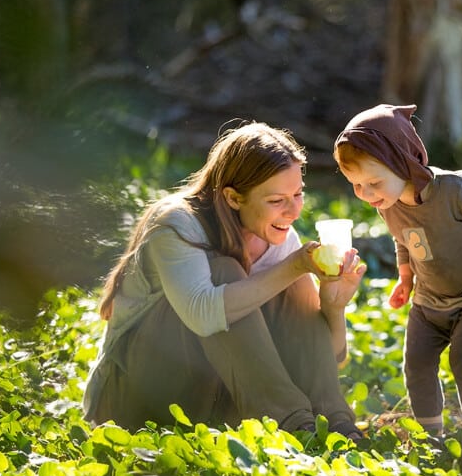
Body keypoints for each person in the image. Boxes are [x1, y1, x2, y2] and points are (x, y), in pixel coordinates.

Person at [82, 121, 366, 440]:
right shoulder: (178, 223)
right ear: (233, 198)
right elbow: (204, 315)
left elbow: (332, 359)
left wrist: (332, 306)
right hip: (135, 402)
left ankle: (336, 426)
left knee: (294, 281)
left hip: (219, 397)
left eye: (298, 194)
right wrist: (295, 266)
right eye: (276, 200)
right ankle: (296, 426)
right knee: (226, 273)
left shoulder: (279, 237)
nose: (294, 211)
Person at [333, 104, 462, 435]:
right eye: (357, 185)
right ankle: (432, 436)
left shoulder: (453, 190)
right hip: (430, 299)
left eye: (373, 182)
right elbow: (403, 238)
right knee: (416, 363)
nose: (366, 194)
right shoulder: (386, 202)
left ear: (404, 162)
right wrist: (405, 276)